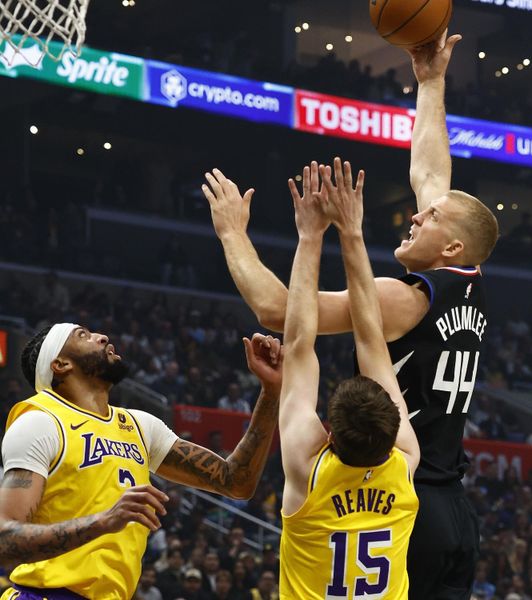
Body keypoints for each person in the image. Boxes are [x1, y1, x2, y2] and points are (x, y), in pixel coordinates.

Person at [203, 30, 497, 600]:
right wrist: (431, 83)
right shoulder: (469, 282)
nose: (415, 217)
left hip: (396, 490)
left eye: (427, 219)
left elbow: (276, 311)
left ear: (452, 246)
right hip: (453, 503)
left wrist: (234, 236)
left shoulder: (403, 298)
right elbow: (433, 178)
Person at [0, 323, 283, 599]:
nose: (102, 336)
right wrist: (103, 521)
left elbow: (235, 481)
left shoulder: (139, 426)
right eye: (83, 335)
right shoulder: (40, 422)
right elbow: (4, 539)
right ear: (60, 364)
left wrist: (270, 392)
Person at [277, 159, 420, 598]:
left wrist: (312, 235)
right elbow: (372, 342)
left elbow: (300, 341)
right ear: (394, 430)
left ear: (329, 436)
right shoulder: (405, 463)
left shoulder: (309, 468)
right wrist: (352, 233)